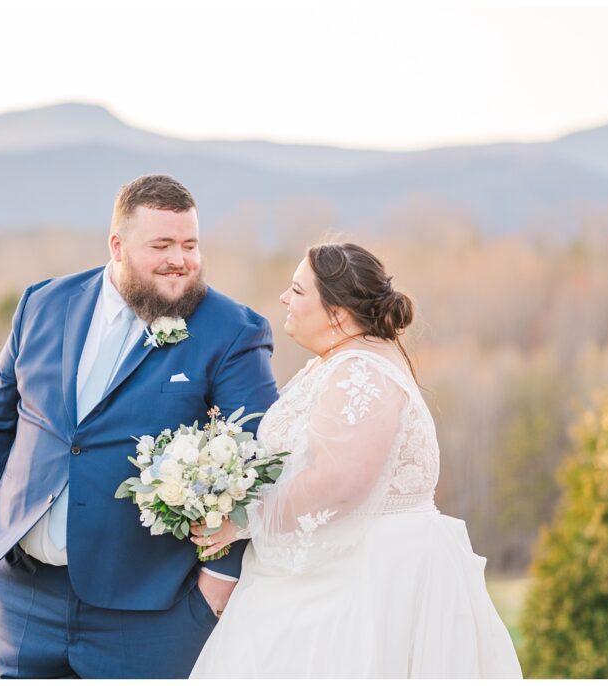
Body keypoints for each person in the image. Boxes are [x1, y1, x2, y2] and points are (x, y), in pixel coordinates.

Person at [0, 174, 278, 678]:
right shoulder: (43, 304)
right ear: (117, 246)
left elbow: (257, 462)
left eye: (191, 244)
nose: (181, 259)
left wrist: (218, 583)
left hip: (150, 609)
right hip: (26, 594)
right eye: (162, 245)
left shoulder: (233, 331)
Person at [189, 242, 523, 678]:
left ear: (337, 314)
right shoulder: (341, 363)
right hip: (340, 565)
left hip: (370, 578)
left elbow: (340, 482)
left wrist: (246, 516)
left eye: (298, 291)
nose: (285, 299)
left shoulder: (360, 371)